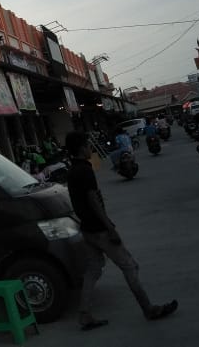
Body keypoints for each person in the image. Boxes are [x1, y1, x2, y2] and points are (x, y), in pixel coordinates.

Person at [65, 132, 178, 330]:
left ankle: (84, 314)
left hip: (87, 229)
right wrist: (110, 227)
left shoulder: (72, 170)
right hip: (99, 229)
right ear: (82, 148)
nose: (90, 148)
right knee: (130, 266)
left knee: (93, 269)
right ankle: (148, 309)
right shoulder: (85, 170)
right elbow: (93, 200)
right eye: (88, 145)